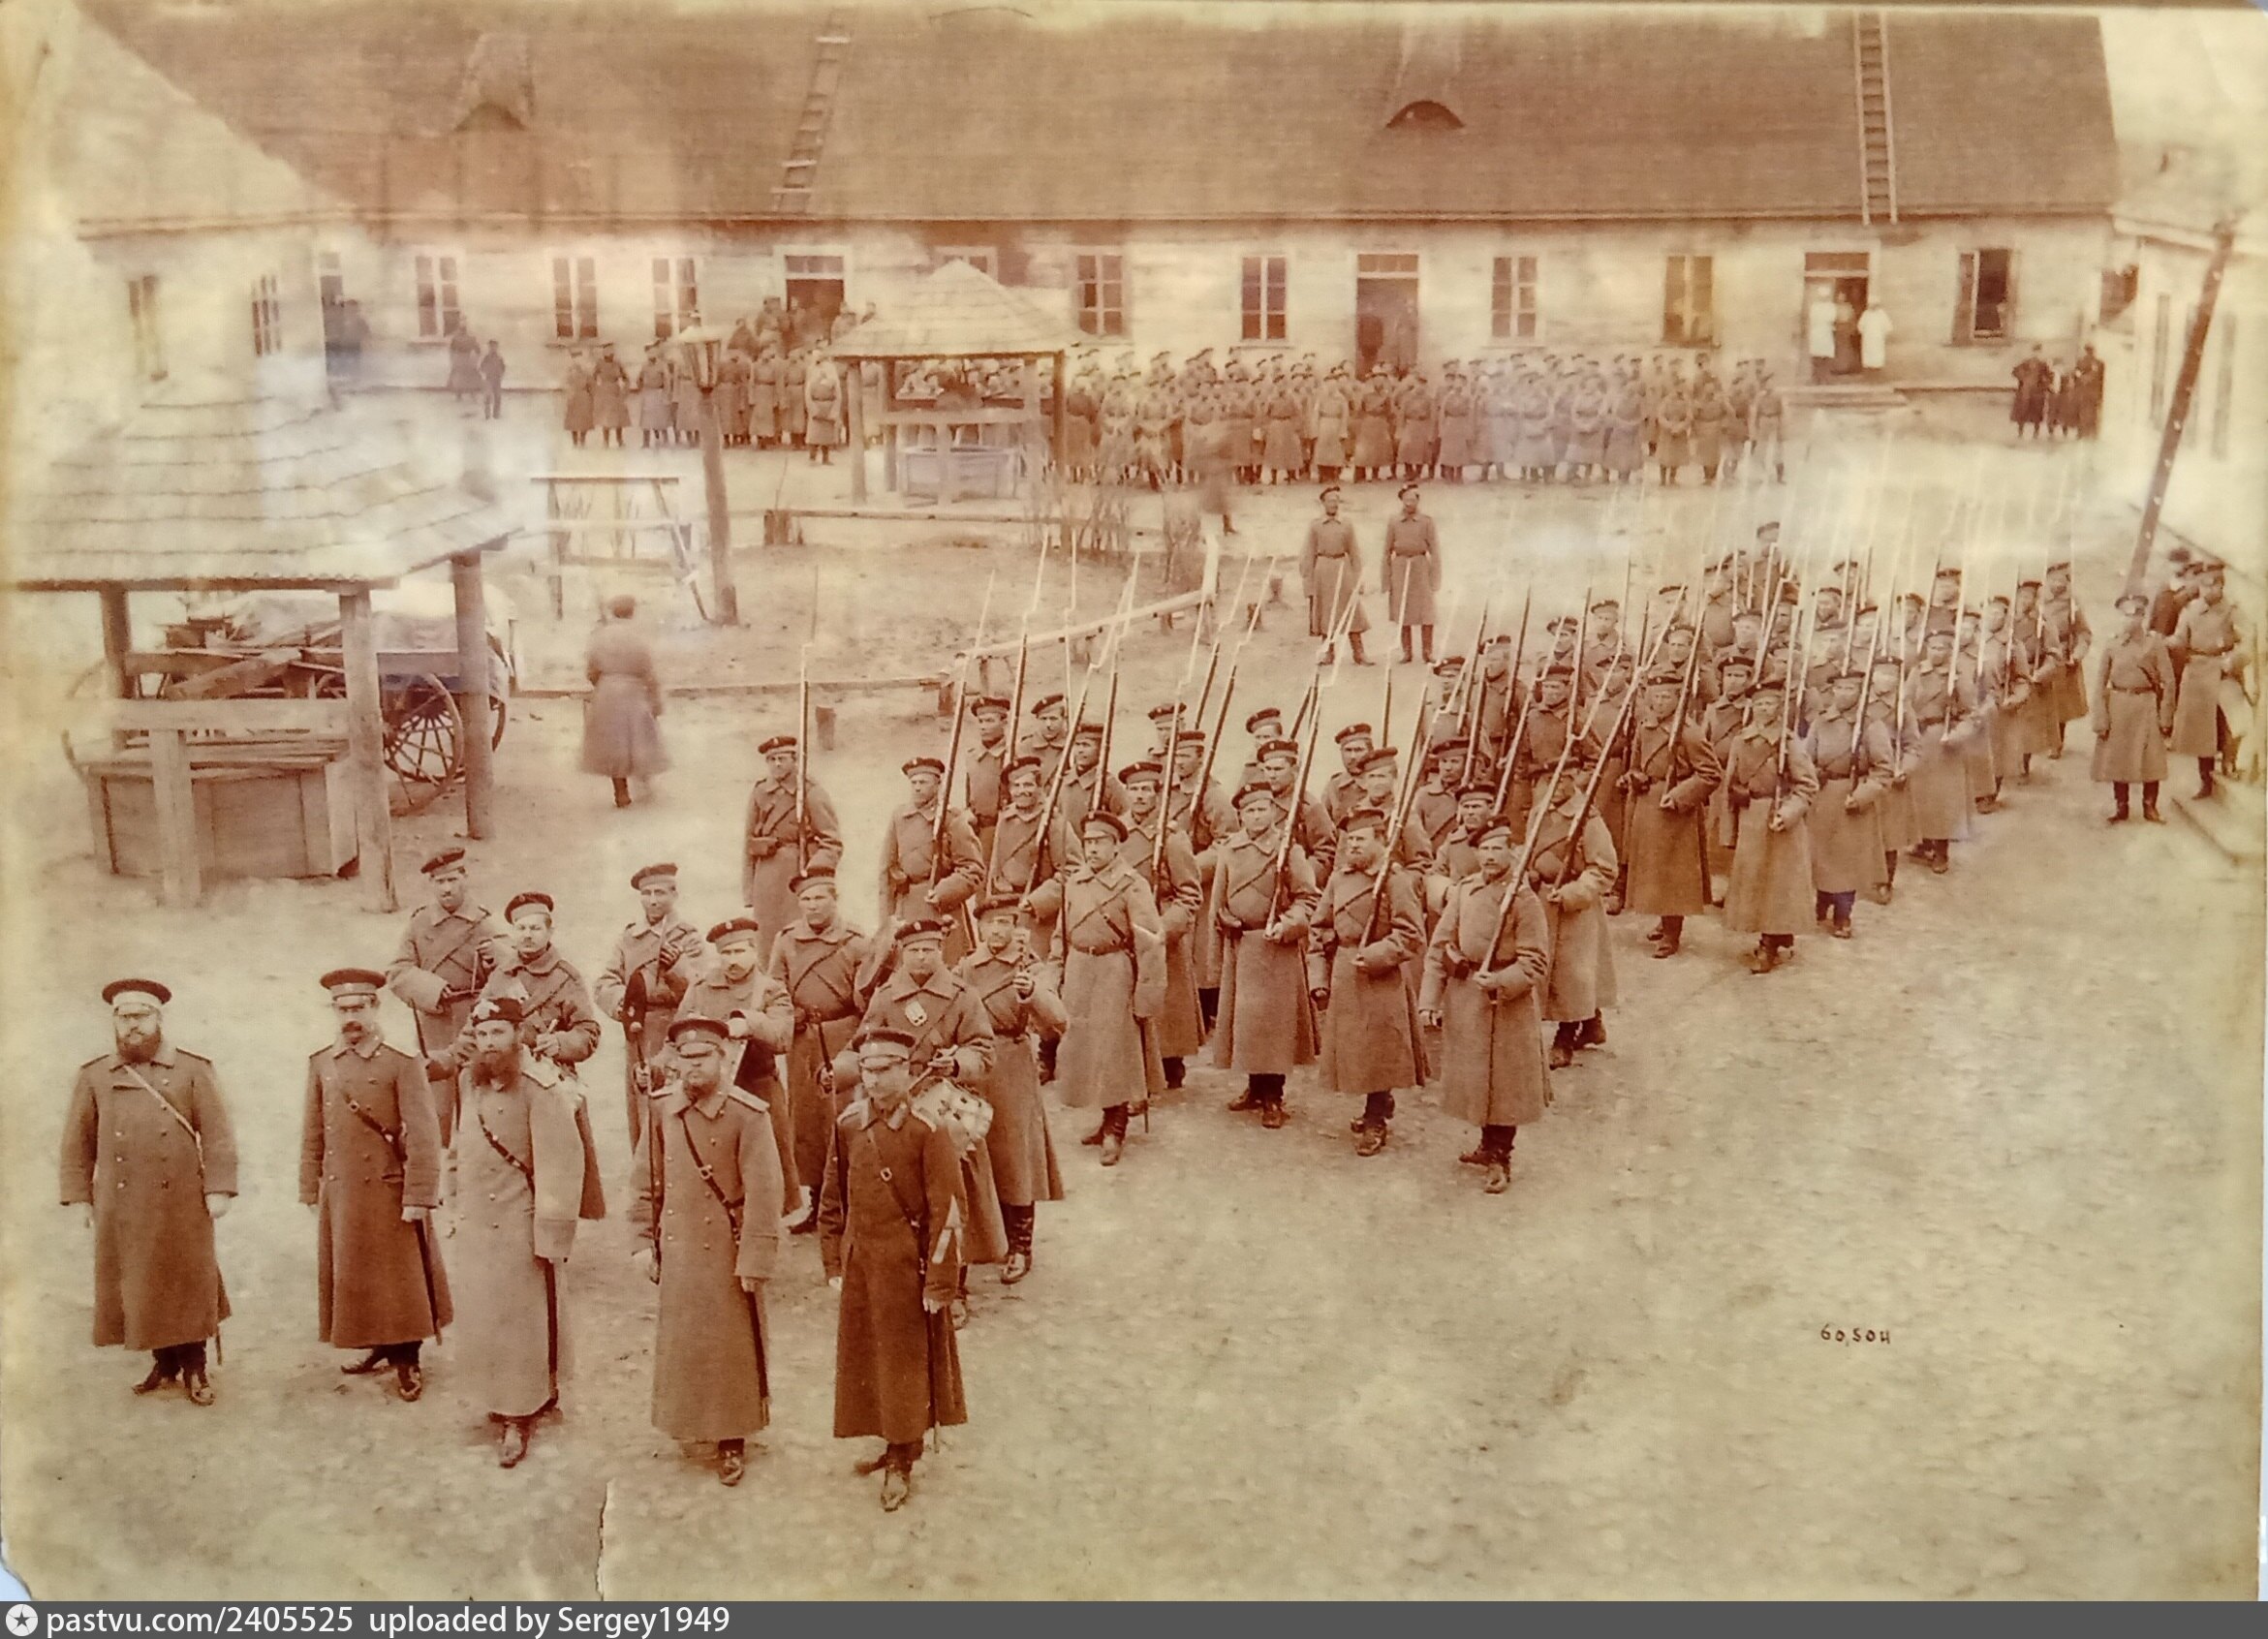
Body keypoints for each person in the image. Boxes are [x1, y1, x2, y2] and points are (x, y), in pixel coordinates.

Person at [442, 996, 605, 1469]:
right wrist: (453, 1201)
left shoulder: (539, 1088)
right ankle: (499, 1396)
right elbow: (458, 1146)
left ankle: (520, 1411)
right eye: (482, 1034)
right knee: (486, 1315)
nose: (489, 1043)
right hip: (477, 1221)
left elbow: (561, 1164)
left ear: (518, 1034)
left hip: (520, 1223)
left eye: (498, 1033)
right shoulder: (468, 1082)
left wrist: (551, 1234)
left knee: (521, 1320)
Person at [61, 978, 237, 1406]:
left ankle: (195, 1366)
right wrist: (80, 1196)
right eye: (124, 1017)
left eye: (141, 1016)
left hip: (181, 1200)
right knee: (141, 1285)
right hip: (122, 1204)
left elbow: (217, 1135)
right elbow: (76, 1143)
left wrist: (219, 1188)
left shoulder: (192, 1069)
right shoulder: (95, 1075)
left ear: (159, 1018)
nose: (132, 1025)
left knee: (186, 1280)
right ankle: (164, 1362)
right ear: (114, 1022)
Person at [630, 1014, 784, 1488]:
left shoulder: (748, 1114)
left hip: (725, 1250)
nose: (693, 1067)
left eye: (703, 1057)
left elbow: (765, 1193)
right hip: (679, 1250)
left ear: (723, 1058)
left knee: (730, 1346)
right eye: (685, 1058)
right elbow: (646, 1180)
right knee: (684, 1341)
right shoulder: (662, 1109)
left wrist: (755, 1259)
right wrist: (642, 1240)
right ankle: (690, 1422)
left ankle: (732, 1436)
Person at [820, 1027, 969, 1512]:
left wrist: (940, 1281)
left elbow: (948, 1212)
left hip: (908, 1268)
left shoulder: (928, 1130)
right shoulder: (849, 1124)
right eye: (867, 1069)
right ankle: (890, 1440)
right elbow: (833, 1196)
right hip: (863, 1265)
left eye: (885, 1070)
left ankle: (903, 1456)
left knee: (904, 1363)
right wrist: (833, 1258)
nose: (874, 1079)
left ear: (906, 1071)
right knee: (870, 1360)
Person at [301, 968, 450, 1405]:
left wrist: (419, 1195)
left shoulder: (400, 1061)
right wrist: (309, 1185)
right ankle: (378, 1344)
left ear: (375, 1007)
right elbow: (313, 1129)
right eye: (342, 1009)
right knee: (358, 1272)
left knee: (399, 1278)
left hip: (390, 1190)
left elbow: (423, 1133)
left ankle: (407, 1357)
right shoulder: (322, 1062)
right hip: (343, 1190)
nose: (350, 1017)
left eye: (358, 1008)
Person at [1419, 819, 1553, 1195]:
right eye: (1484, 849)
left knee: (1505, 1082)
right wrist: (1429, 999)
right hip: (1467, 996)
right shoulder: (1465, 891)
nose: (1490, 856)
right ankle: (1485, 1144)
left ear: (1511, 851)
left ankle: (1501, 1156)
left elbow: (1535, 961)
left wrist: (1501, 981)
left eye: (1498, 848)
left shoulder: (1523, 899)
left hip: (1506, 1003)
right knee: (1477, 1078)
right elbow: (1439, 946)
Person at [1048, 810, 1165, 1166]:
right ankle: (1104, 1120)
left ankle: (1117, 1127)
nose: (1093, 849)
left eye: (1100, 842)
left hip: (1114, 970)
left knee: (1115, 1049)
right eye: (1088, 842)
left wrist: (1146, 994)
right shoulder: (1074, 882)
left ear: (1116, 846)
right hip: (1079, 968)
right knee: (1086, 1048)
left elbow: (1151, 942)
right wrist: (1055, 972)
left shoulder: (1132, 884)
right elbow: (1062, 933)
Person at [957, 897, 1065, 1283]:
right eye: (990, 923)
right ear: (980, 927)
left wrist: (1031, 993)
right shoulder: (966, 968)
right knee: (978, 1153)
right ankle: (992, 1237)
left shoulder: (1029, 967)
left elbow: (1059, 1020)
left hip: (1013, 1066)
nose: (997, 930)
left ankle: (1021, 1245)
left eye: (1005, 922)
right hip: (974, 1067)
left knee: (1016, 1155)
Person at [1309, 809, 1425, 1157]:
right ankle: (1379, 1102)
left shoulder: (1394, 880)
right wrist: (1319, 976)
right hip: (1346, 971)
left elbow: (1411, 934)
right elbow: (1319, 927)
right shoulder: (1339, 878)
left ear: (1380, 841)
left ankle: (1376, 1118)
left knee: (1378, 1050)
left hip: (1380, 975)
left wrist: (1376, 955)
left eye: (1360, 840)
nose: (1352, 846)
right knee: (1355, 1051)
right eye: (1349, 841)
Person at [674, 916, 803, 1226]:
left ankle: (765, 1228)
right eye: (726, 953)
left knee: (766, 1166)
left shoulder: (770, 990)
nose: (732, 960)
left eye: (740, 951)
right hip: (712, 1091)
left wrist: (749, 1023)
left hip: (758, 1087)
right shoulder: (701, 989)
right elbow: (678, 1033)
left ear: (754, 951)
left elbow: (782, 1036)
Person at [766, 869, 880, 1221]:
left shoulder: (856, 942)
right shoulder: (786, 941)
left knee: (843, 1117)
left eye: (819, 898)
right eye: (805, 899)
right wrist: (791, 1014)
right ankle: (818, 1201)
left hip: (842, 1035)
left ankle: (850, 1200)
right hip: (803, 1038)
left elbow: (870, 997)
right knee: (807, 1122)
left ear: (834, 899)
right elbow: (773, 988)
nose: (812, 905)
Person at [1208, 781, 1320, 1129]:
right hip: (1241, 945)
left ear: (1273, 811)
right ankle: (1255, 1087)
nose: (1256, 816)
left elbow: (1308, 899)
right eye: (1249, 810)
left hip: (1275, 947)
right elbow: (1218, 900)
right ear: (1240, 816)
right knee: (1248, 1024)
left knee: (1274, 1027)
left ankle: (1274, 1095)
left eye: (1262, 809)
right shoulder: (1230, 849)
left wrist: (1288, 925)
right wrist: (1223, 922)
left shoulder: (1289, 850)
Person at [387, 846, 500, 1144]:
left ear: (465, 878)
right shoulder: (419, 923)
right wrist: (431, 989)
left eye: (452, 880)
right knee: (436, 1100)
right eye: (439, 882)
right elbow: (397, 972)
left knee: (477, 1097)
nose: (446, 889)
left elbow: (508, 969)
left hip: (474, 1021)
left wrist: (496, 957)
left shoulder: (483, 923)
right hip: (433, 1022)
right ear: (431, 884)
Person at [594, 863, 700, 1153]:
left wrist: (678, 967)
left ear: (674, 894)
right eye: (646, 893)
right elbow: (605, 981)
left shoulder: (688, 937)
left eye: (660, 893)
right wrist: (627, 1003)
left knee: (677, 1104)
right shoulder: (628, 938)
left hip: (675, 1030)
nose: (653, 901)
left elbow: (701, 986)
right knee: (642, 1108)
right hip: (638, 1030)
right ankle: (646, 1173)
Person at [1526, 741, 1619, 1066]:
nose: (1556, 786)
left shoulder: (1587, 818)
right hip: (1543, 901)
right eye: (1549, 780)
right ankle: (1592, 1024)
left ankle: (1564, 1039)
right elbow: (1529, 851)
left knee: (1572, 975)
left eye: (1564, 779)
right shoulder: (1539, 813)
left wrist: (1574, 893)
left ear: (1576, 779)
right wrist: (1529, 873)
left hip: (1575, 908)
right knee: (1551, 970)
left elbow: (1604, 868)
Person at [1621, 672, 1722, 958]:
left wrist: (1679, 796)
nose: (1661, 702)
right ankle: (1664, 919)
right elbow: (1635, 764)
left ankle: (1672, 932)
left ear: (1679, 700)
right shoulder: (1645, 727)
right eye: (1656, 696)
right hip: (1647, 804)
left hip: (1675, 810)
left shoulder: (1689, 733)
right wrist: (1634, 777)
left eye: (1667, 696)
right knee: (1653, 870)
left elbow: (1711, 774)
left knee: (1673, 874)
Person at [1720, 689, 1820, 973]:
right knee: (1754, 882)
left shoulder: (1789, 743)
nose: (1764, 709)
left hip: (1779, 821)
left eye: (1770, 704)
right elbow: (1730, 784)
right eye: (1760, 704)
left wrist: (1788, 813)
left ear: (1779, 708)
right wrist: (1730, 826)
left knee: (1777, 885)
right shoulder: (1741, 740)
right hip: (1750, 818)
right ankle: (1776, 935)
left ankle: (1770, 944)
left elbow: (1807, 786)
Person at [1802, 671, 1891, 939]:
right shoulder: (1821, 722)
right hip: (1822, 796)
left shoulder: (1871, 726)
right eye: (1839, 688)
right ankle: (1822, 901)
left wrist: (1862, 795)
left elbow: (1883, 769)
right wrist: (1814, 773)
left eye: (1850, 689)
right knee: (1821, 854)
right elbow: (1806, 759)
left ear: (1860, 693)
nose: (1843, 694)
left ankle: (1843, 914)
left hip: (1850, 798)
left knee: (1844, 862)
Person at [743, 733, 844, 957]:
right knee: (767, 937)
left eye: (782, 758)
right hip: (765, 877)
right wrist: (749, 890)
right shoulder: (760, 791)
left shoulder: (810, 791)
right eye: (772, 759)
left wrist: (813, 876)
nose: (777, 764)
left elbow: (832, 842)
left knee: (800, 935)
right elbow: (748, 843)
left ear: (794, 759)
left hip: (798, 874)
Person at [879, 755, 985, 964]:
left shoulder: (952, 819)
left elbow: (973, 868)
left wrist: (944, 891)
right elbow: (886, 869)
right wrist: (886, 918)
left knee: (948, 967)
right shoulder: (899, 817)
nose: (917, 788)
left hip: (942, 908)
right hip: (907, 906)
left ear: (937, 785)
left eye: (923, 782)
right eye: (914, 783)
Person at [2094, 592, 2178, 823]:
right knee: (2118, 757)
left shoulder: (2154, 644)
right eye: (2124, 615)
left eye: (2133, 615)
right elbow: (2100, 683)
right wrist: (2100, 717)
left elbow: (2169, 681)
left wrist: (2165, 716)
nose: (2128, 620)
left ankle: (2150, 807)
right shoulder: (2112, 645)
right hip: (2118, 704)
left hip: (2146, 705)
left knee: (2151, 759)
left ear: (2142, 617)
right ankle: (2121, 806)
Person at [2169, 562, 2248, 797]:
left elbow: (2249, 643)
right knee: (2202, 732)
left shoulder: (2233, 611)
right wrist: (2166, 643)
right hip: (2197, 673)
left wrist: (2233, 659)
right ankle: (2205, 780)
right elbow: (2180, 639)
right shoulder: (2191, 610)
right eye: (2203, 585)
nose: (2207, 590)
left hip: (2224, 672)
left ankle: (2230, 763)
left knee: (2234, 719)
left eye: (2212, 585)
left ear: (2221, 586)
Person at [581, 595, 668, 808]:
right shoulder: (640, 636)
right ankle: (644, 782)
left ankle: (621, 791)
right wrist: (655, 698)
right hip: (634, 691)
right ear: (632, 612)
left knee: (614, 744)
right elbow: (649, 671)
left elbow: (591, 670)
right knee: (638, 739)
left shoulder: (601, 636)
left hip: (608, 691)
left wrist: (601, 685)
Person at [1301, 486, 1371, 665]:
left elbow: (1355, 553)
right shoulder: (1316, 525)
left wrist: (1359, 580)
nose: (1333, 504)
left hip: (1343, 569)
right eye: (1330, 501)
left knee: (1351, 609)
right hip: (1323, 571)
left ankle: (1359, 653)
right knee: (1326, 612)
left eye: (1336, 501)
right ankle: (1328, 652)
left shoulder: (1346, 524)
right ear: (1323, 503)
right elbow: (1308, 554)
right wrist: (1308, 583)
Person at [1383, 483, 1443, 664]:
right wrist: (1386, 579)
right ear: (1401, 500)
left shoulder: (1426, 521)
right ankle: (1407, 652)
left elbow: (1435, 550)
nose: (1409, 503)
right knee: (1403, 610)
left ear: (1418, 501)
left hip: (1420, 566)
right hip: (1400, 567)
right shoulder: (1394, 521)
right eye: (1406, 499)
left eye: (1413, 499)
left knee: (1426, 611)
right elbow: (1386, 551)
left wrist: (1435, 578)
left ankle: (1427, 652)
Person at [2010, 346, 2053, 440]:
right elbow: (2015, 372)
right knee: (2022, 413)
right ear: (2032, 352)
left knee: (2037, 413)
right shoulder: (2025, 363)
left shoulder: (2043, 365)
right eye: (2035, 352)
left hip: (2037, 393)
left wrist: (2044, 383)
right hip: (2026, 392)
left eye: (2038, 352)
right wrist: (2023, 378)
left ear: (2040, 353)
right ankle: (2020, 433)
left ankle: (2036, 433)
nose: (2036, 354)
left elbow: (2049, 377)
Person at [1807, 288, 1837, 385]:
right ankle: (1816, 379)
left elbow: (1832, 318)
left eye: (1825, 297)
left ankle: (1826, 378)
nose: (1823, 298)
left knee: (1826, 357)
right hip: (1816, 332)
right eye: (1822, 297)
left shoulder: (1831, 306)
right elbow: (1812, 318)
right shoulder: (1814, 306)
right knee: (1816, 357)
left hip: (1826, 332)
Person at [1857, 303, 1892, 379]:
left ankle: (1877, 368)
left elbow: (1888, 326)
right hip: (1868, 337)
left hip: (1878, 338)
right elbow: (1860, 325)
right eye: (1871, 305)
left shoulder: (1882, 314)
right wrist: (1865, 332)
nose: (1872, 306)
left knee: (1878, 352)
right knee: (1868, 352)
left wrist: (1883, 334)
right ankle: (1868, 369)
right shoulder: (1866, 314)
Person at [479, 341, 507, 419]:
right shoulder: (487, 358)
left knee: (498, 397)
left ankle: (496, 414)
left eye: (495, 346)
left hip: (497, 379)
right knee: (488, 397)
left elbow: (503, 368)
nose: (493, 348)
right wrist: (486, 373)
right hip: (489, 379)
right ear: (489, 348)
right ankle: (487, 414)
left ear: (497, 347)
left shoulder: (499, 358)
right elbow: (482, 367)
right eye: (491, 347)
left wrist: (500, 374)